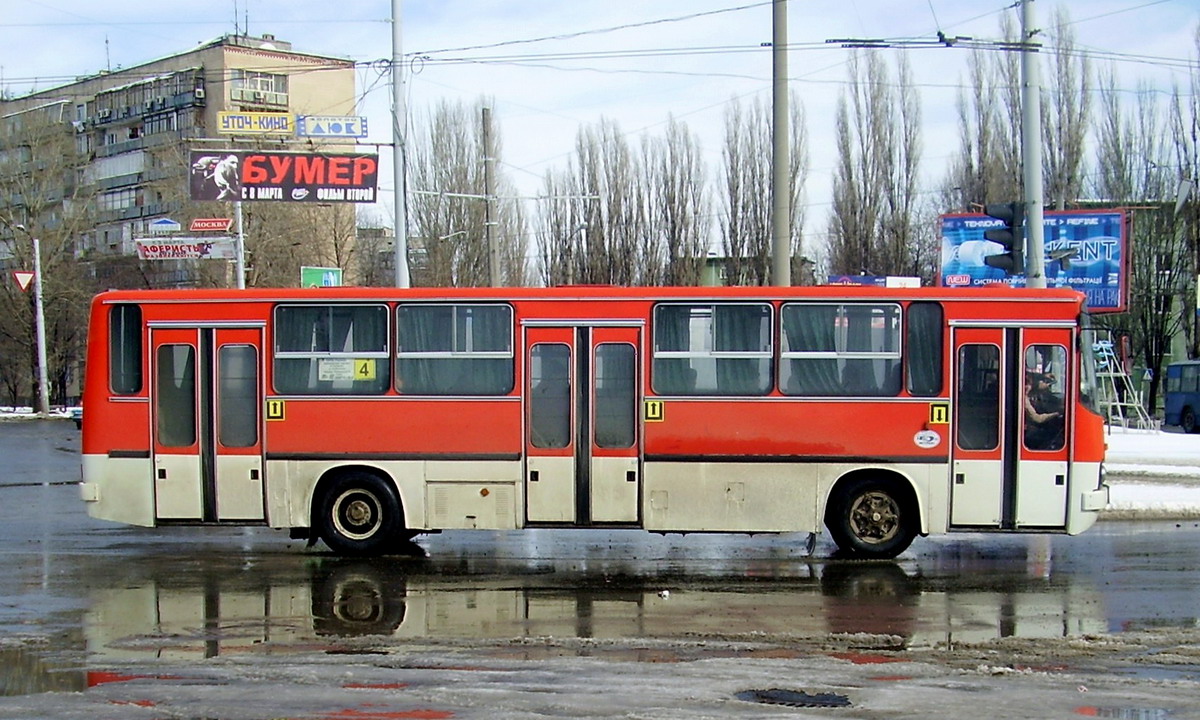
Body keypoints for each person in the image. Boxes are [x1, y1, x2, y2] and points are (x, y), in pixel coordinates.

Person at [1024, 372, 1064, 450]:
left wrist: (1043, 376)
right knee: (1050, 434)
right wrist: (1056, 413)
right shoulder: (1023, 399)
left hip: (1031, 429)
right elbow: (1037, 418)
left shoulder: (1030, 394)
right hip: (1028, 433)